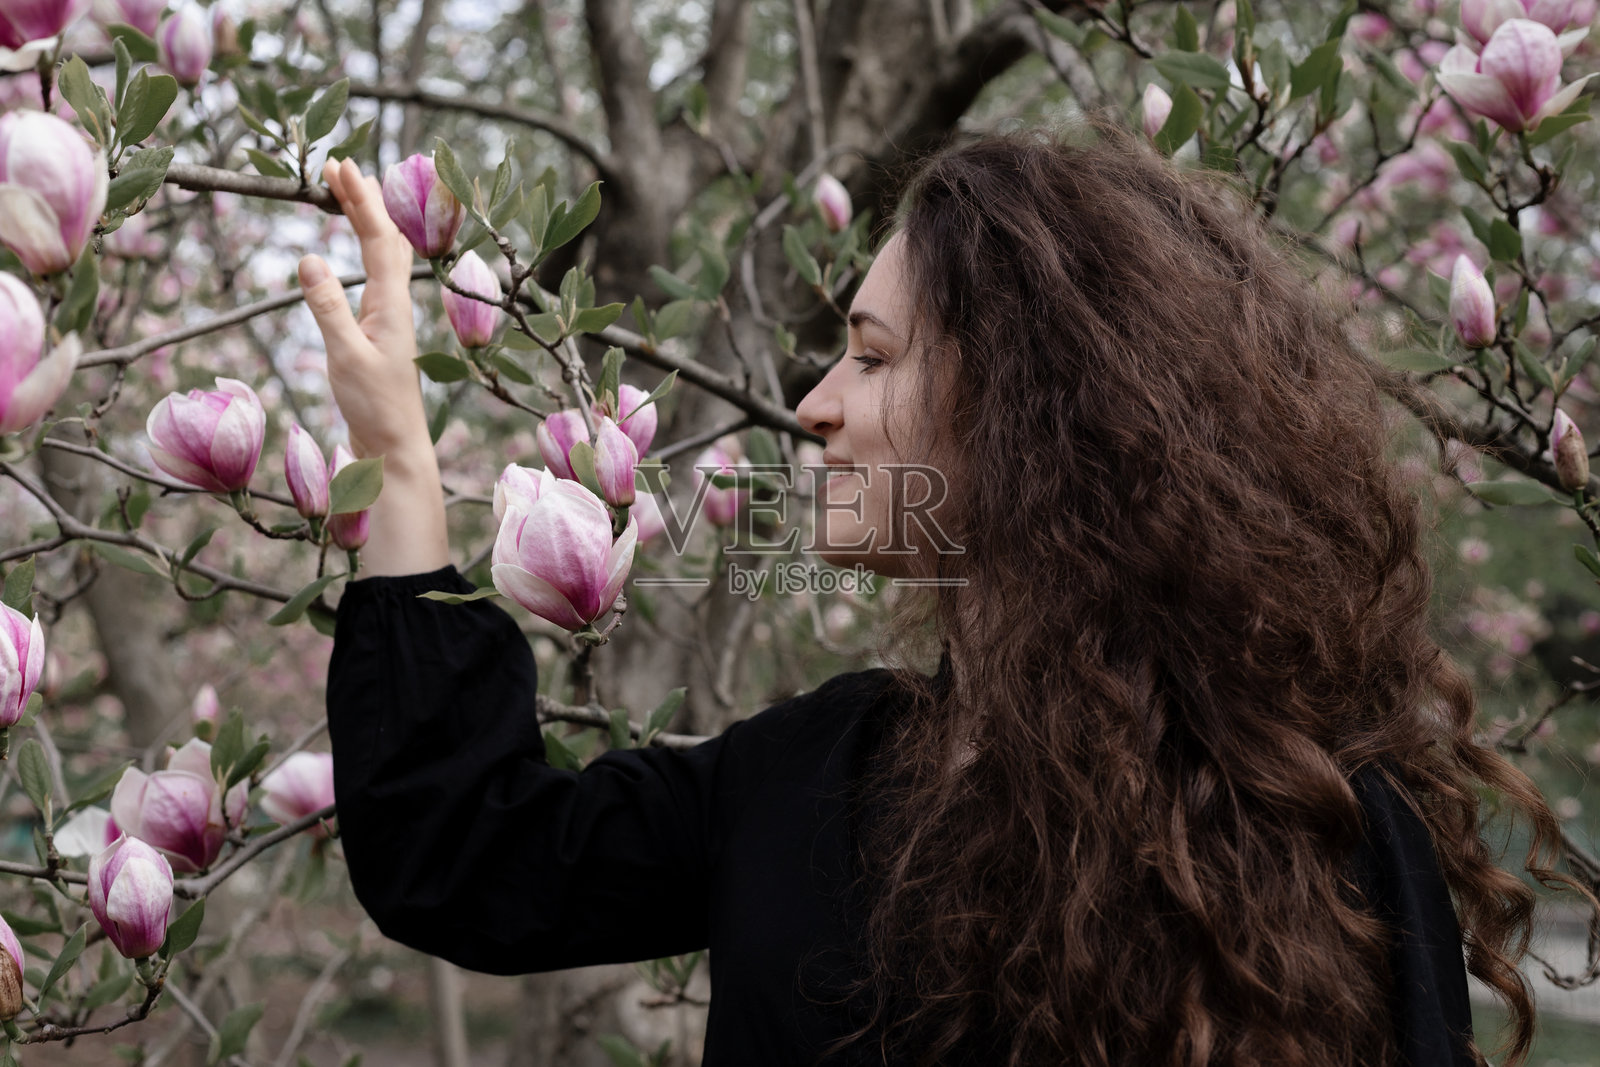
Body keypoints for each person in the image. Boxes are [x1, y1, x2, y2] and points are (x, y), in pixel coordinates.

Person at [298, 126, 1576, 1066]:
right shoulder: (812, 774)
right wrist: (400, 462)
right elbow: (467, 857)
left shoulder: (1321, 822)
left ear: (1035, 408)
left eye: (873, 354)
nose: (814, 405)